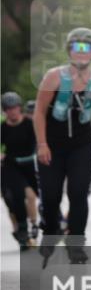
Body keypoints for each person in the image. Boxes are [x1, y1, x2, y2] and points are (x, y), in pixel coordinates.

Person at [34, 28, 91, 264]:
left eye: (87, 48)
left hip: (82, 146)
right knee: (50, 196)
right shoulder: (54, 77)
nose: (81, 52)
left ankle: (76, 244)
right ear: (69, 50)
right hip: (52, 145)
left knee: (78, 194)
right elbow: (39, 112)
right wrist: (42, 144)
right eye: (76, 47)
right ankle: (51, 230)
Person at [1, 92, 40, 250]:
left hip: (29, 164)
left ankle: (34, 224)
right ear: (5, 111)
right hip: (11, 165)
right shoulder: (3, 128)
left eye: (15, 108)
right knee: (13, 197)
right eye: (8, 109)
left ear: (19, 108)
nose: (12, 112)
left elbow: (41, 141)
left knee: (30, 195)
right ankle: (21, 229)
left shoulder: (30, 124)